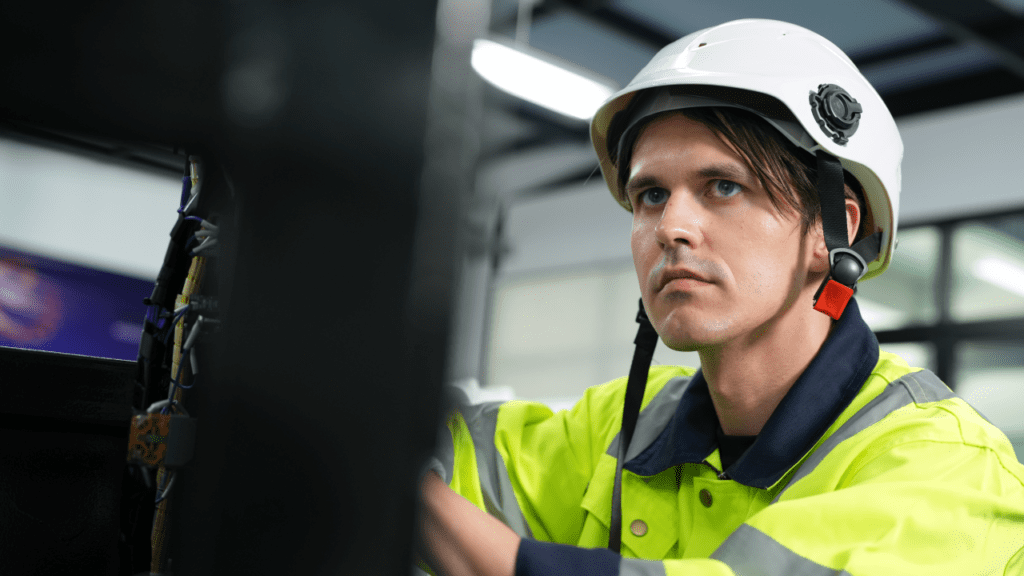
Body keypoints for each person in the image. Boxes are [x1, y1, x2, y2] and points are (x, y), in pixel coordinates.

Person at [417, 18, 1024, 576]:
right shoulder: (627, 427)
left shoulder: (948, 469)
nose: (671, 228)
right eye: (651, 195)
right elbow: (429, 438)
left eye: (723, 186)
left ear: (830, 233)